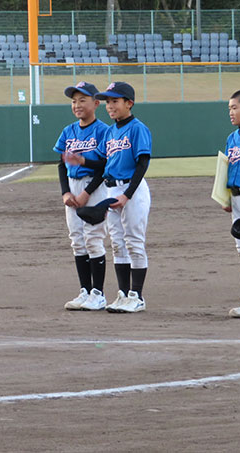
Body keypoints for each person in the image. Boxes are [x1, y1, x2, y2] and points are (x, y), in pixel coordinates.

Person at [80, 82, 152, 313]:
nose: (110, 106)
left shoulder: (138, 128)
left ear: (129, 103)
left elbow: (142, 163)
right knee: (118, 244)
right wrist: (81, 161)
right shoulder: (111, 131)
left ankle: (137, 296)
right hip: (112, 190)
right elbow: (102, 164)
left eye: (115, 101)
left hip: (132, 189)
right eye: (108, 101)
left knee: (134, 242)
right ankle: (122, 294)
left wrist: (127, 194)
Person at [53, 82, 110, 311]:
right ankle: (85, 291)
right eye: (74, 101)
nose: (77, 105)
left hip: (93, 187)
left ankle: (99, 294)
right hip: (73, 187)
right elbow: (61, 164)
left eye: (82, 100)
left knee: (93, 238)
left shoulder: (104, 131)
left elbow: (105, 165)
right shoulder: (68, 131)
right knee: (77, 240)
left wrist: (87, 192)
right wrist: (66, 192)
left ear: (96, 103)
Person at [223, 88, 240, 318]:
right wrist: (225, 197)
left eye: (234, 107)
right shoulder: (232, 138)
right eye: (229, 108)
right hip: (237, 198)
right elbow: (227, 168)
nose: (230, 112)